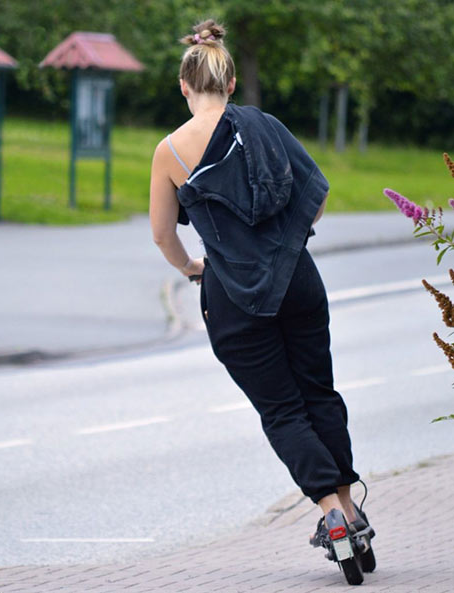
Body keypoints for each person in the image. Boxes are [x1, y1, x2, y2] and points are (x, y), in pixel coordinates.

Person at [149, 18, 374, 580]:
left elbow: (162, 234)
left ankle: (330, 512)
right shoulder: (265, 125)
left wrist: (193, 269)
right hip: (297, 277)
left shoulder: (169, 152)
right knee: (319, 392)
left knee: (281, 408)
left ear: (184, 85)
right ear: (229, 85)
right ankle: (349, 507)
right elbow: (315, 198)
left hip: (231, 294)